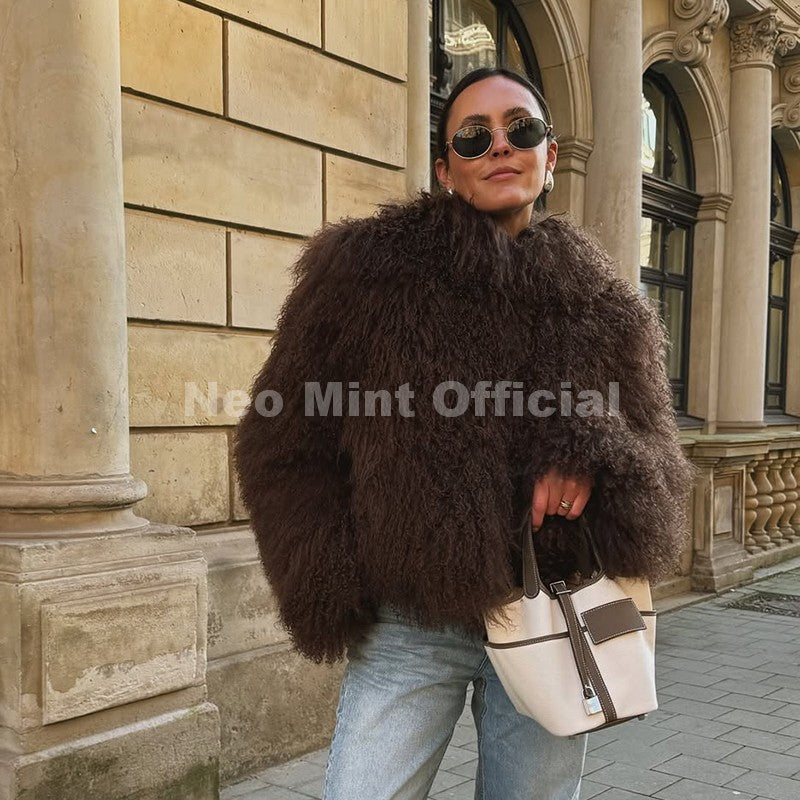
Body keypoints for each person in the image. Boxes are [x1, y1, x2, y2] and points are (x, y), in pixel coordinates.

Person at [234, 67, 695, 800]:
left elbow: (655, 449)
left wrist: (592, 457)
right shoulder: (368, 275)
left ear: (549, 156)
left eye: (522, 130)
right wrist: (334, 577)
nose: (500, 146)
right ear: (446, 169)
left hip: (552, 604)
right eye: (474, 138)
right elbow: (280, 437)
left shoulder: (602, 302)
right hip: (410, 620)